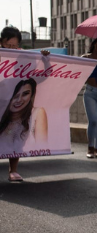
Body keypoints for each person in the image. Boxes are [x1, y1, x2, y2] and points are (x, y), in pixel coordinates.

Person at [1, 26, 50, 182]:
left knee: (16, 141)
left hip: (15, 116)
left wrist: (45, 60)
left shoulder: (27, 74)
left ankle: (13, 170)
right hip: (1, 110)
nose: (11, 49)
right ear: (1, 42)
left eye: (14, 46)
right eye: (8, 46)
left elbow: (45, 75)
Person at [0, 79, 48, 182]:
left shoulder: (36, 114)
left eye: (25, 94)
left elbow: (42, 144)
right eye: (15, 95)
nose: (19, 100)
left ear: (32, 95)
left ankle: (13, 170)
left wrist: (46, 62)